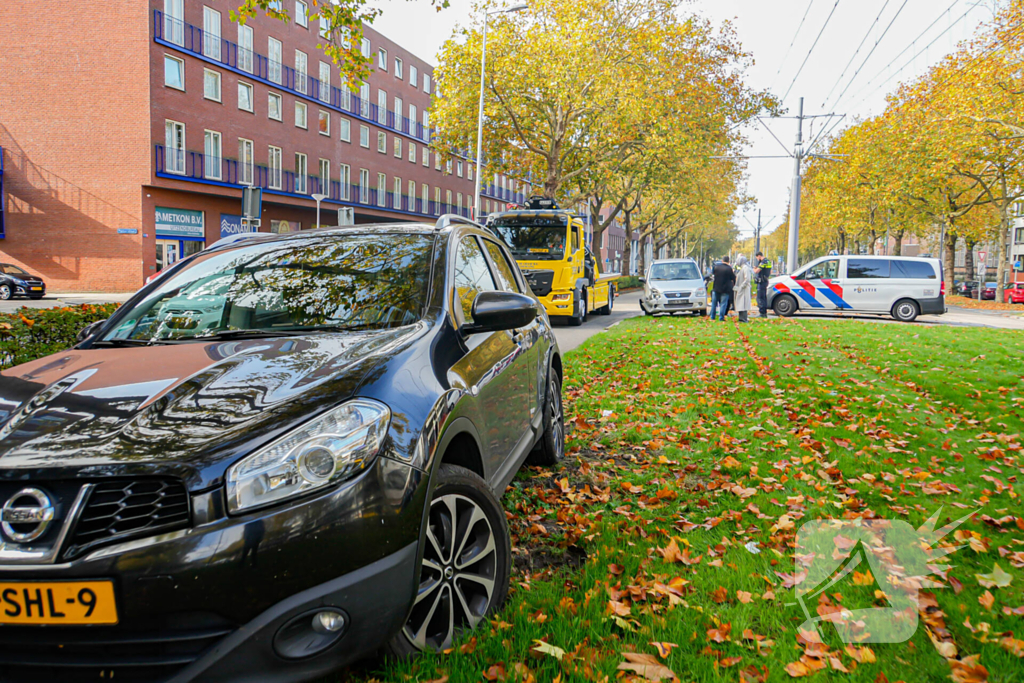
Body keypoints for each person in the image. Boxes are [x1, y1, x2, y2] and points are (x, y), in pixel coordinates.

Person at [710, 256, 735, 322]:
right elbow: (733, 278)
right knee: (723, 304)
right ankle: (721, 317)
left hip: (716, 288)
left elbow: (712, 275)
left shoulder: (716, 267)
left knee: (714, 303)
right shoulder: (729, 269)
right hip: (725, 289)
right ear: (728, 261)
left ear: (722, 260)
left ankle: (712, 316)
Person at [734, 255, 752, 323]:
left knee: (743, 304)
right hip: (741, 289)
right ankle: (741, 318)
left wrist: (741, 287)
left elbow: (747, 279)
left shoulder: (745, 268)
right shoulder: (742, 268)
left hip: (744, 289)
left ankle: (744, 318)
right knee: (740, 304)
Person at [755, 252, 773, 318]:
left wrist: (754, 268)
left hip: (761, 281)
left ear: (759, 256)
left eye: (757, 258)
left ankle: (762, 313)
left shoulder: (763, 262)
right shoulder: (768, 261)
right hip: (765, 281)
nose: (757, 259)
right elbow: (770, 271)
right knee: (764, 297)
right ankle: (764, 312)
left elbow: (756, 271)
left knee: (760, 297)